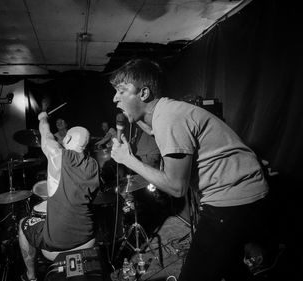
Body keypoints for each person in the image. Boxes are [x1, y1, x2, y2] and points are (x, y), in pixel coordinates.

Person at [109, 58, 270, 281]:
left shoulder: (169, 118)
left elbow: (176, 188)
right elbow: (165, 133)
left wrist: (128, 159)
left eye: (121, 91)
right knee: (228, 264)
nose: (115, 98)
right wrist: (138, 121)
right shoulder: (168, 110)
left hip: (232, 200)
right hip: (246, 193)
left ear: (143, 93)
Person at [18, 111, 100, 281]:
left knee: (22, 223)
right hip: (88, 235)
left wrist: (43, 118)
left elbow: (46, 134)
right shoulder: (93, 164)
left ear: (68, 139)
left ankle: (30, 276)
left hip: (59, 243)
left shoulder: (58, 155)